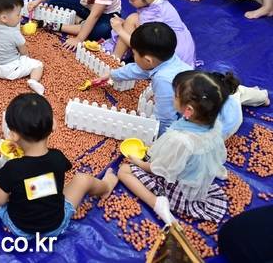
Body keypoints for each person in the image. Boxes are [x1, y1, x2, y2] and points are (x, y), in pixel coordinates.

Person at [0, 93, 119, 238]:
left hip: (20, 228)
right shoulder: (58, 158)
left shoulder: (13, 168)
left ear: (13, 135)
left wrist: (11, 188)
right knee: (83, 179)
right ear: (53, 126)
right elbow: (40, 180)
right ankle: (106, 186)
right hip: (56, 225)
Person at [118, 70, 231, 224]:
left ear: (189, 110)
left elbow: (159, 169)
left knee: (124, 171)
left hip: (180, 189)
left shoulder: (181, 141)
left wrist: (138, 162)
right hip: (196, 182)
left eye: (176, 95)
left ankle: (157, 203)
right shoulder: (214, 125)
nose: (173, 97)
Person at [105, 22, 192, 136]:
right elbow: (138, 69)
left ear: (148, 60)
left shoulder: (163, 80)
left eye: (134, 54)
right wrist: (112, 74)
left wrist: (157, 141)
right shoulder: (167, 60)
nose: (134, 57)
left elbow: (165, 120)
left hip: (192, 126)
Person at [102, 0, 196, 66]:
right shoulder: (156, 0)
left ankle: (115, 60)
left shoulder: (155, 14)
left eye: (132, 0)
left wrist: (120, 30)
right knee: (131, 20)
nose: (129, 2)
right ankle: (116, 57)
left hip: (169, 53)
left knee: (131, 20)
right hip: (170, 41)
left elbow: (145, 46)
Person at [208, 71, 269, 139]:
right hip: (233, 123)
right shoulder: (232, 91)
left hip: (220, 134)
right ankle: (263, 98)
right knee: (242, 91)